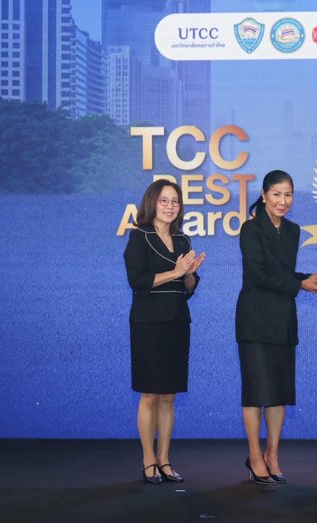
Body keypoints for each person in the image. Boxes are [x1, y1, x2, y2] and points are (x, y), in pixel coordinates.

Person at [235, 169, 317, 484]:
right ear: (263, 196)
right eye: (276, 194)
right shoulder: (250, 229)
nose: (282, 201)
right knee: (255, 392)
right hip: (255, 319)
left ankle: (272, 454)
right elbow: (258, 275)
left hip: (283, 319)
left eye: (288, 195)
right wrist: (300, 285)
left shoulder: (293, 230)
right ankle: (254, 456)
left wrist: (307, 279)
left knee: (279, 392)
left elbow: (282, 273)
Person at [124, 179, 206, 485]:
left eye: (175, 201)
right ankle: (148, 461)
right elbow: (138, 281)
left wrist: (190, 274)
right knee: (149, 395)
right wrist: (176, 272)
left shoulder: (183, 240)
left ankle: (165, 460)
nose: (171, 206)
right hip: (148, 324)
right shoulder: (139, 236)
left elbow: (188, 288)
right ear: (152, 203)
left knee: (169, 396)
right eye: (164, 200)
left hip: (177, 322)